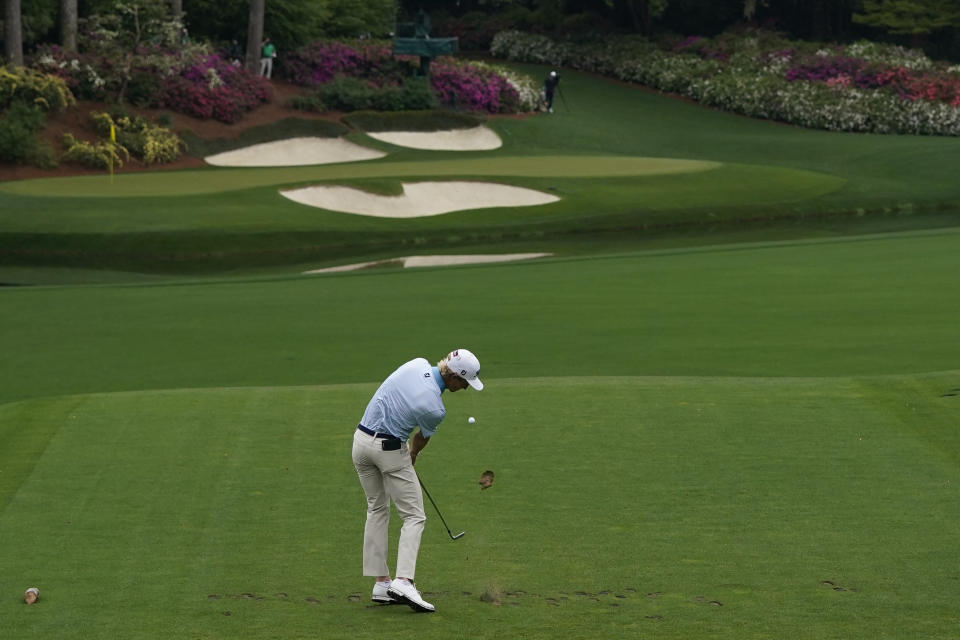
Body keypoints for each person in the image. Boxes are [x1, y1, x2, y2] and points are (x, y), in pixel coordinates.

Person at [352, 349, 484, 613]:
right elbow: (420, 439)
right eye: (465, 383)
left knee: (376, 509)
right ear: (455, 377)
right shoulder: (435, 407)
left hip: (359, 443)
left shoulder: (416, 363)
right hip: (388, 450)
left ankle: (381, 584)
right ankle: (403, 580)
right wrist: (412, 455)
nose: (466, 388)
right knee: (414, 516)